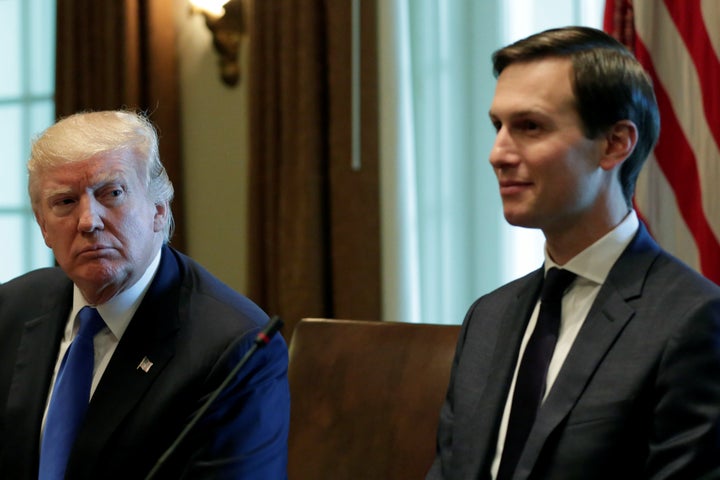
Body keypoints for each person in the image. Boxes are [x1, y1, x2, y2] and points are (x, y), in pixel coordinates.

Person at [426, 26, 720, 480]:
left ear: (614, 143)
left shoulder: (693, 319)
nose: (497, 153)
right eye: (497, 126)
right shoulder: (488, 317)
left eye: (530, 127)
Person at [0, 110, 290, 479]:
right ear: (43, 226)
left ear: (158, 210)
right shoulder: (13, 308)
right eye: (65, 202)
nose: (89, 221)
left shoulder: (235, 350)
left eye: (112, 193)